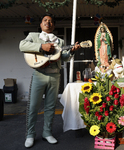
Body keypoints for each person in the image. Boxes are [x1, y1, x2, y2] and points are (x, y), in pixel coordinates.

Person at [19, 13, 81, 148]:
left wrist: (72, 51)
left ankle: (47, 133)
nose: (48, 22)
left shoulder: (60, 41)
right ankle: (30, 135)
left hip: (55, 76)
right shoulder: (33, 36)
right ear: (41, 24)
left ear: (54, 25)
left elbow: (63, 57)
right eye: (45, 20)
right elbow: (22, 45)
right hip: (39, 74)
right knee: (33, 106)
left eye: (51, 21)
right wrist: (42, 47)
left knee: (50, 107)